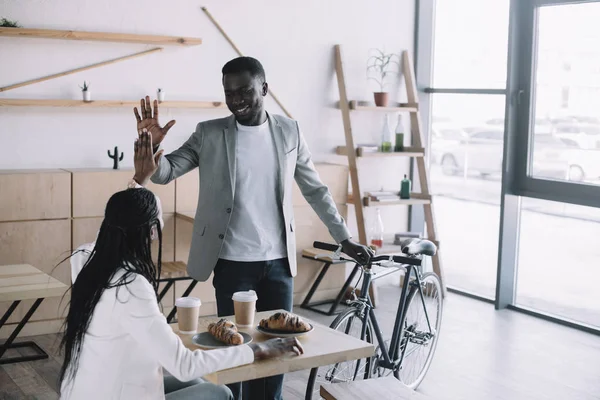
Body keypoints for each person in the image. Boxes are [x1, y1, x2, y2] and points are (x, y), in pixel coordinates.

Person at [131, 56, 372, 400]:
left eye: (244, 90)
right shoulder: (209, 133)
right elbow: (165, 172)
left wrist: (344, 238)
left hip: (278, 264)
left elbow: (315, 190)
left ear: (264, 88)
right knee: (235, 354)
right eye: (229, 92)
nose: (236, 99)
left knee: (278, 354)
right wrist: (153, 144)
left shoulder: (290, 131)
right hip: (230, 262)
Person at [59, 156, 304, 400]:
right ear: (152, 231)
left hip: (91, 389)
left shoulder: (84, 260)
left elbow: (117, 218)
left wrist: (138, 182)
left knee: (200, 380)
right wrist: (257, 350)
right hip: (116, 393)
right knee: (220, 394)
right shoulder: (131, 286)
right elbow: (183, 364)